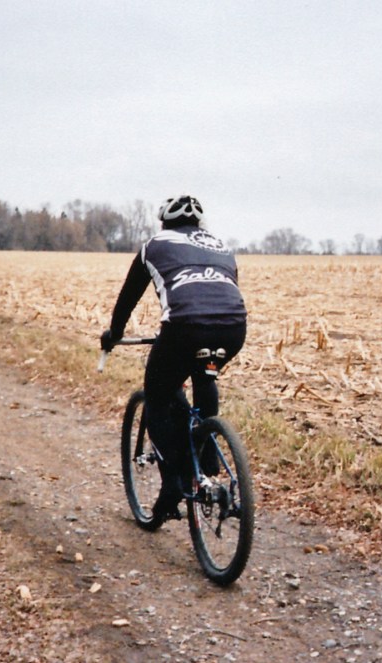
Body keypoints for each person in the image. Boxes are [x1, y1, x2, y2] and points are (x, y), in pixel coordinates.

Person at [101, 195, 247, 522]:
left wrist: (114, 333)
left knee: (157, 395)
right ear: (199, 224)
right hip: (233, 328)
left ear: (164, 222)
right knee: (205, 371)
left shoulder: (154, 245)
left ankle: (171, 486)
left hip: (184, 329)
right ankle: (207, 460)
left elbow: (128, 298)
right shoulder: (221, 246)